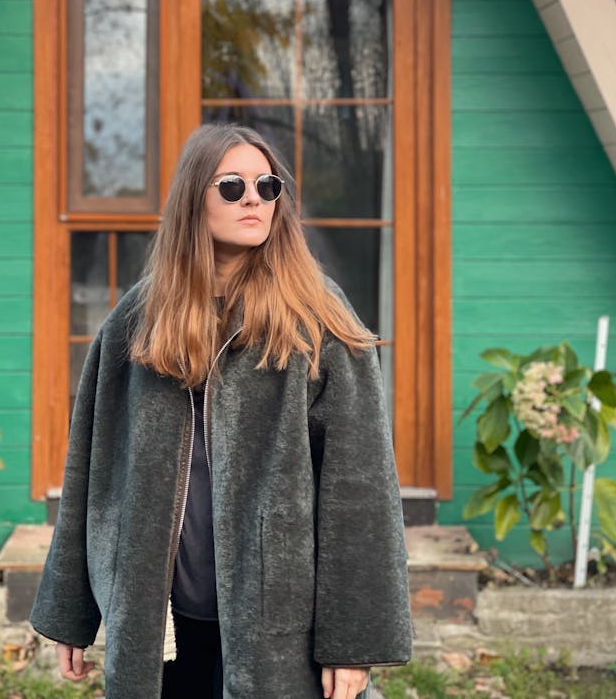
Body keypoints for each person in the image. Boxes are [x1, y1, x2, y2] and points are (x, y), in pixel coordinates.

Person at [30, 123, 412, 699]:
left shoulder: (317, 319)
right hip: (161, 621)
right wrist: (70, 610)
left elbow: (360, 491)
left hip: (279, 625)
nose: (254, 197)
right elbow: (91, 471)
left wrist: (352, 642)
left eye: (267, 185)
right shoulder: (137, 320)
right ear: (193, 199)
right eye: (231, 186)